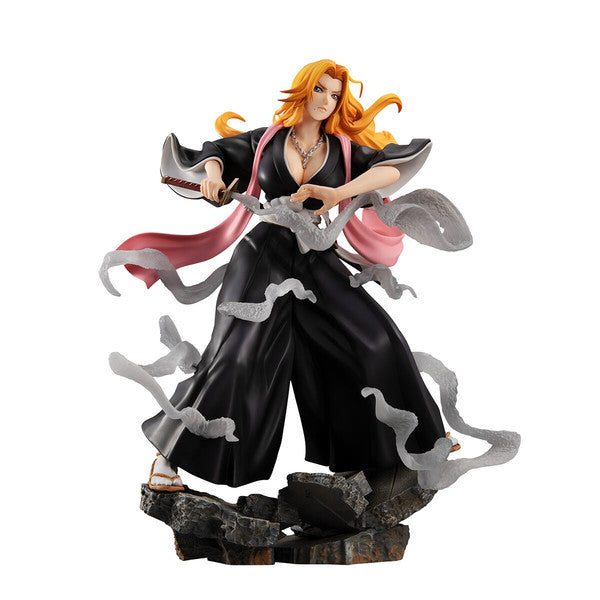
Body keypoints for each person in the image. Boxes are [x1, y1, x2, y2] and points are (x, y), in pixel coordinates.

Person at [117, 59, 463, 491]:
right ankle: (167, 459)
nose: (326, 100)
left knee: (373, 335)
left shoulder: (343, 150)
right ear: (303, 89)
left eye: (334, 94)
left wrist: (338, 192)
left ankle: (415, 440)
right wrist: (212, 178)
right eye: (320, 89)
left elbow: (392, 167)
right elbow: (215, 154)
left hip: (316, 255)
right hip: (263, 254)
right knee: (237, 353)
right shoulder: (265, 140)